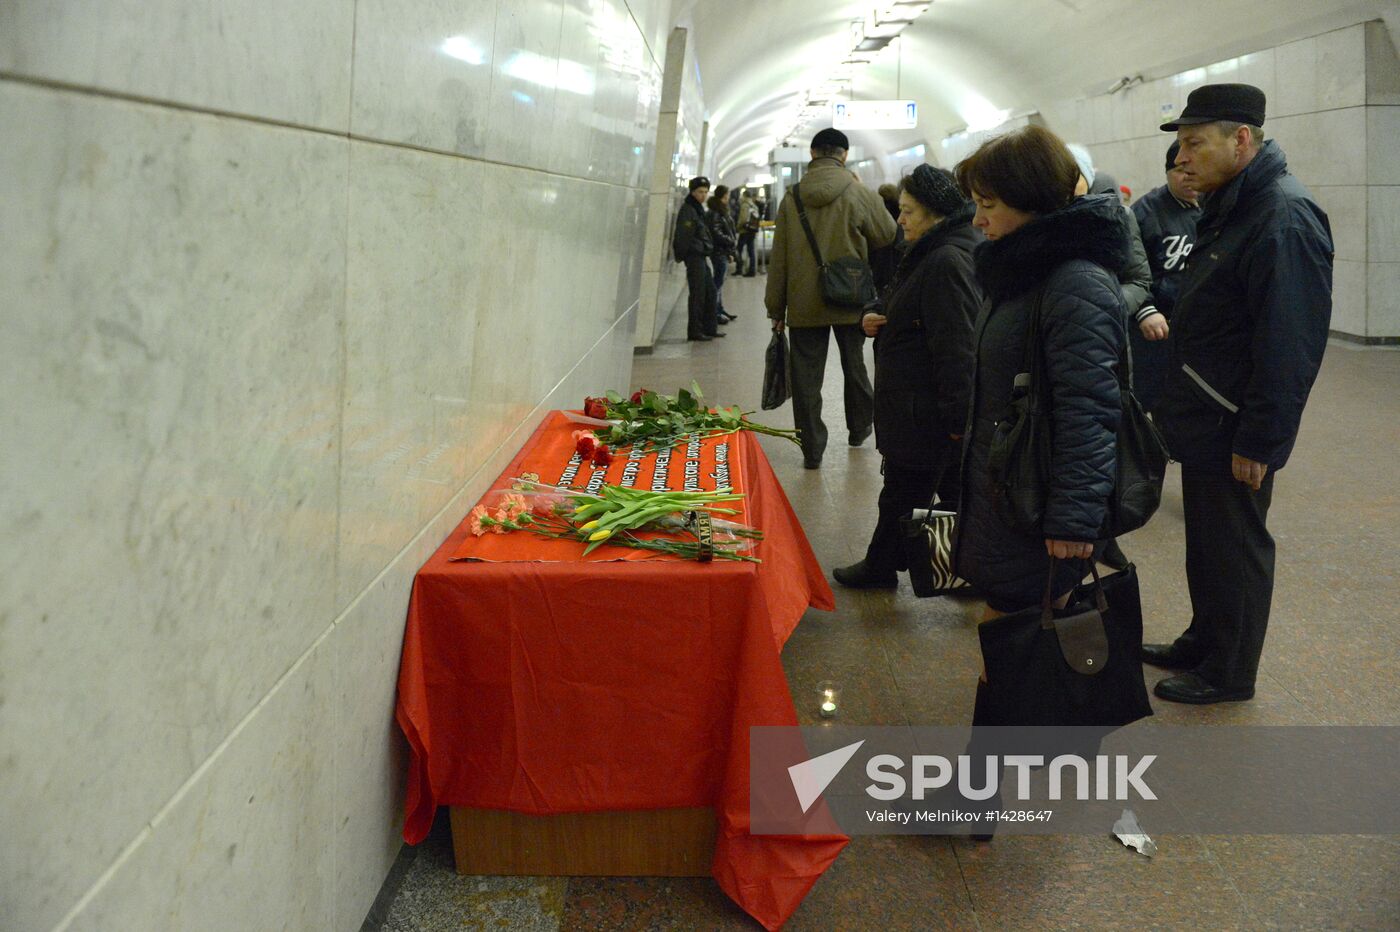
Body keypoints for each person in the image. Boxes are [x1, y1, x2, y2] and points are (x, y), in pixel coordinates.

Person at [1144, 83, 1333, 704]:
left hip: (1235, 422)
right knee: (1208, 539)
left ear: (1241, 140)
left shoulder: (1281, 216)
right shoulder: (1234, 205)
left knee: (1238, 544)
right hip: (1207, 412)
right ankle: (1205, 638)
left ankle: (1231, 672)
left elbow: (1289, 343)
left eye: (1195, 143)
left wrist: (1261, 438)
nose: (1183, 159)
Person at [951, 124, 1126, 711]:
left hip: (1039, 499)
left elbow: (1090, 410)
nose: (978, 221)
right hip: (1009, 487)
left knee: (1018, 639)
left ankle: (986, 786)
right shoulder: (1016, 274)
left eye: (988, 205)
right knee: (1008, 634)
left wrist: (1075, 521)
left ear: (1031, 199)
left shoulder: (1074, 282)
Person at [832, 166, 980, 588]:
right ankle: (944, 567)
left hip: (926, 409)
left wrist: (957, 420)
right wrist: (875, 316)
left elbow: (957, 347)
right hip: (920, 405)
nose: (900, 219)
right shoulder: (931, 250)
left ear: (935, 214)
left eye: (908, 211)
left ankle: (893, 568)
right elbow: (899, 298)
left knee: (905, 492)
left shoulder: (946, 260)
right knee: (921, 491)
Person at [766, 128, 897, 469]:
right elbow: (888, 234)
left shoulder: (792, 197)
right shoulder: (858, 191)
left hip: (804, 302)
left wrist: (775, 308)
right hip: (850, 297)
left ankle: (812, 448)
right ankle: (859, 428)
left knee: (806, 377)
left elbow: (778, 257)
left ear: (812, 154)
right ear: (844, 154)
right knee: (855, 366)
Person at [1129, 140, 1201, 412]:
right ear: (1167, 172)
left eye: (1193, 169)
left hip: (1196, 324)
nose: (1188, 177)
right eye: (1180, 170)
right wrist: (1145, 309)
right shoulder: (1144, 212)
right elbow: (1127, 269)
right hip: (1156, 326)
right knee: (1152, 395)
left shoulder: (1213, 207)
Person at [672, 176, 724, 341]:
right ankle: (695, 331)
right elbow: (684, 236)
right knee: (698, 294)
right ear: (693, 192)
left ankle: (709, 328)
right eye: (700, 192)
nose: (703, 195)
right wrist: (684, 255)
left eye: (705, 192)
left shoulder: (697, 209)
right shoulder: (689, 210)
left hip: (701, 257)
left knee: (710, 291)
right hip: (695, 258)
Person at [706, 185, 739, 324]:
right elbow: (717, 232)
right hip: (719, 252)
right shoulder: (716, 212)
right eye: (727, 196)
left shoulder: (719, 211)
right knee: (717, 284)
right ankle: (715, 312)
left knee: (719, 282)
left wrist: (730, 251)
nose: (728, 198)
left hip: (722, 251)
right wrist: (730, 241)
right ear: (722, 196)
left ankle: (719, 309)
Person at [737, 189, 760, 276]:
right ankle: (752, 270)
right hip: (752, 230)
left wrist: (738, 227)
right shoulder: (754, 205)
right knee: (751, 251)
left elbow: (743, 219)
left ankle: (739, 269)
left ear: (744, 196)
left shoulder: (745, 205)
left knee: (738, 250)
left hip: (744, 230)